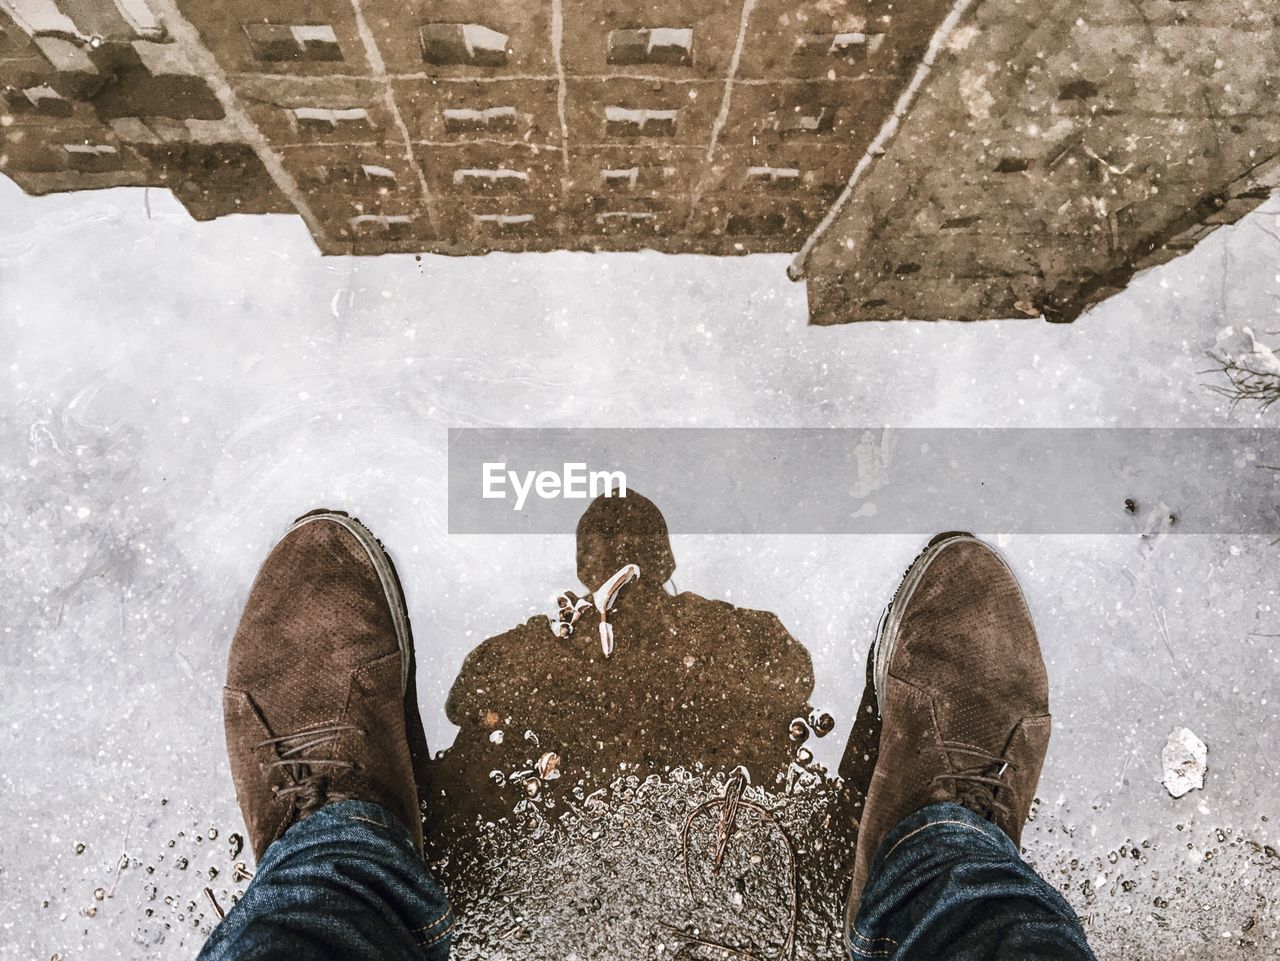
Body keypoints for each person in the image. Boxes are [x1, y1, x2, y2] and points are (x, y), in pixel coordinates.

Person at [198, 513, 1096, 961]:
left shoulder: (731, 624)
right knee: (978, 912)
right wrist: (560, 654)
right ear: (582, 563)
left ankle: (342, 850)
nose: (620, 560)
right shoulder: (534, 639)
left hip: (740, 831)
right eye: (602, 547)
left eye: (636, 545)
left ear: (664, 557)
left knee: (318, 912)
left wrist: (670, 634)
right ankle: (935, 856)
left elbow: (789, 672)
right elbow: (477, 693)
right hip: (535, 833)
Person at [427, 489, 816, 833]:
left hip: (580, 836)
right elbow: (796, 673)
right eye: (609, 543)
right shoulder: (721, 629)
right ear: (665, 560)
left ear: (584, 566)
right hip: (693, 830)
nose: (618, 549)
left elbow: (464, 699)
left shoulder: (538, 648)